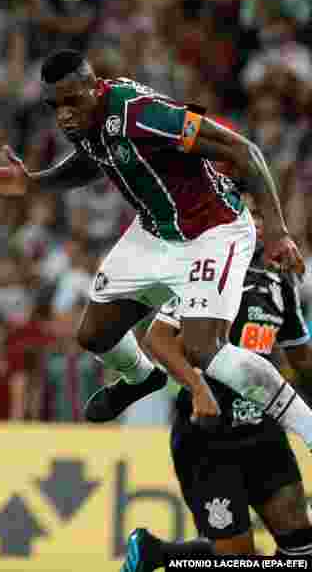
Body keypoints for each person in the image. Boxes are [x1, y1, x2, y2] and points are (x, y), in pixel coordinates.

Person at [0, 49, 312, 448]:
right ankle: (141, 377)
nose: (63, 114)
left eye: (71, 101)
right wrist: (32, 183)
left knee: (204, 349)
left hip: (213, 233)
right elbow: (91, 160)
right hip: (154, 232)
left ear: (95, 90)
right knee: (94, 335)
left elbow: (244, 151)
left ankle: (307, 427)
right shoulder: (85, 123)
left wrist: (277, 231)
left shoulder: (142, 113)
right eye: (54, 105)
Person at [121, 197, 312, 570]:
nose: (257, 222)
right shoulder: (205, 273)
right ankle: (157, 552)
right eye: (248, 215)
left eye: (262, 215)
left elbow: (303, 360)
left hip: (263, 435)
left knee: (302, 551)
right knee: (236, 560)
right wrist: (197, 387)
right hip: (208, 440)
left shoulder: (279, 282)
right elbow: (157, 338)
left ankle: (158, 554)